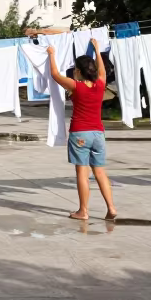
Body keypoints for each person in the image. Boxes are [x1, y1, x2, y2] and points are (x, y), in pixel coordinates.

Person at [46, 38, 117, 221]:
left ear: (78, 71)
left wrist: (51, 54)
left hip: (80, 133)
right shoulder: (100, 84)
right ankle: (111, 207)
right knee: (100, 171)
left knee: (82, 173)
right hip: (98, 133)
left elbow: (54, 74)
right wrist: (97, 50)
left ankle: (83, 211)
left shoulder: (75, 86)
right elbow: (101, 70)